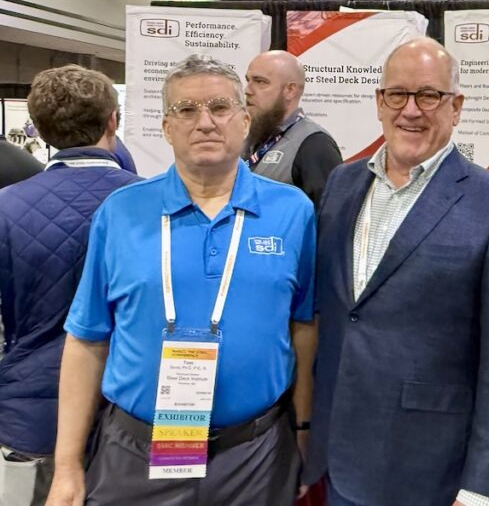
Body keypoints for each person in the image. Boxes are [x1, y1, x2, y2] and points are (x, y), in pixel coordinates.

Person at [46, 54, 317, 506]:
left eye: (219, 107)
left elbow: (303, 328)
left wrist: (305, 432)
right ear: (166, 128)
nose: (204, 122)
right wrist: (67, 467)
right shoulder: (121, 213)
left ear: (245, 119)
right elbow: (87, 341)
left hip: (256, 457)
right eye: (186, 110)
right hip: (136, 454)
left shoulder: (293, 212)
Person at [304, 37, 489, 506]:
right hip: (338, 458)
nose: (411, 110)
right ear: (379, 103)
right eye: (397, 95)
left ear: (456, 107)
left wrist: (485, 485)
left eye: (429, 95)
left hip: (430, 471)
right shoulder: (342, 185)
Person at [0, 65, 140, 506]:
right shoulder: (153, 203)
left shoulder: (5, 208)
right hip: (131, 414)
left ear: (40, 129)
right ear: (112, 120)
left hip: (33, 415)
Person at [245, 50, 342, 208]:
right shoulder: (247, 137)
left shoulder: (315, 145)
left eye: (260, 82)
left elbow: (331, 219)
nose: (247, 90)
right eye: (248, 80)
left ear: (290, 90)